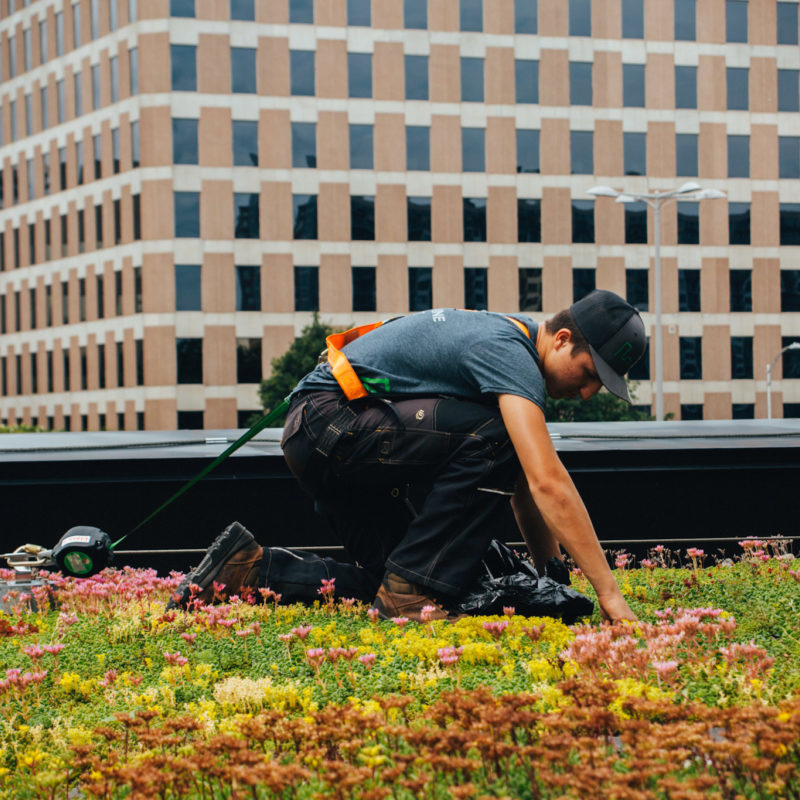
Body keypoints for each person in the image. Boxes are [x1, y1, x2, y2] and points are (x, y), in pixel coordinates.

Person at [168, 289, 646, 623]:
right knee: (418, 583)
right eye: (587, 374)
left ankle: (248, 570)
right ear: (561, 339)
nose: (586, 393)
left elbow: (523, 483)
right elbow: (547, 481)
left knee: (403, 583)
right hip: (332, 425)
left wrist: (552, 577)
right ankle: (410, 595)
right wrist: (610, 595)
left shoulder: (503, 343)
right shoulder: (511, 352)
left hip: (326, 436)